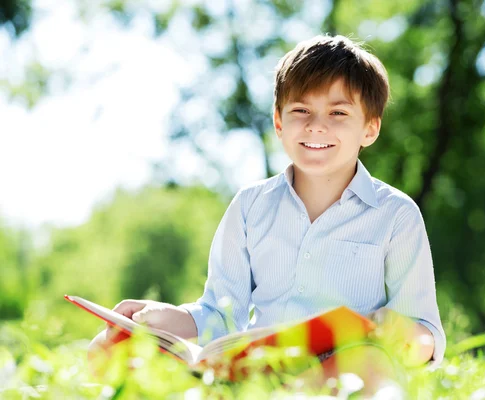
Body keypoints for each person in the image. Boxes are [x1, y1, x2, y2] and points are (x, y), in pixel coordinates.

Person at [89, 34, 446, 394]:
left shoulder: (396, 214)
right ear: (278, 122)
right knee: (107, 346)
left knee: (370, 366)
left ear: (370, 128)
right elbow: (220, 313)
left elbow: (425, 332)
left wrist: (393, 329)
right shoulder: (250, 206)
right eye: (301, 111)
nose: (316, 126)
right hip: (255, 372)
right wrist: (160, 316)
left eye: (338, 113)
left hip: (340, 376)